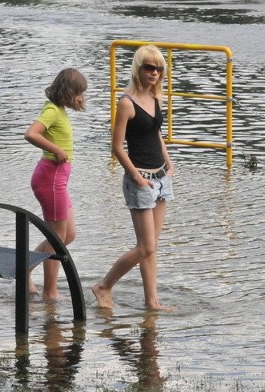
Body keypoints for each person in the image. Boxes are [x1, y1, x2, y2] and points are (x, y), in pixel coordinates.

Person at [92, 45, 174, 311]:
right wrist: (138, 178)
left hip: (161, 177)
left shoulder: (156, 97)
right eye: (149, 68)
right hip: (140, 180)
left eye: (159, 69)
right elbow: (117, 147)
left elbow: (155, 133)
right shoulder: (126, 103)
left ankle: (152, 302)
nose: (154, 73)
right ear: (138, 69)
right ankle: (103, 286)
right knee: (145, 246)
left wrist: (169, 163)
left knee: (151, 247)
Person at [24, 68, 87, 300]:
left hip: (58, 180)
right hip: (50, 179)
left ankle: (25, 268)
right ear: (68, 92)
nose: (81, 98)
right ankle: (50, 292)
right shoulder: (51, 110)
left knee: (68, 234)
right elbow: (31, 134)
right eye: (79, 93)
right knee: (56, 238)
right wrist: (56, 149)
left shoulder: (59, 111)